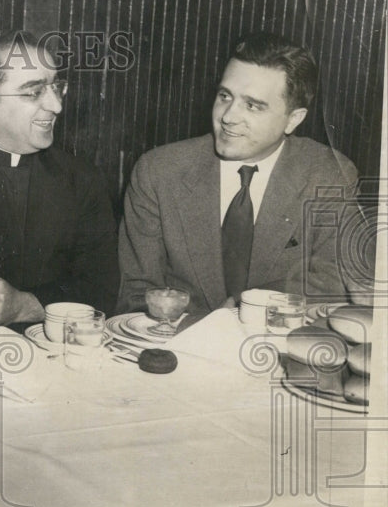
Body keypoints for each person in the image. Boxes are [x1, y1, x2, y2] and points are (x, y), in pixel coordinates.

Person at [117, 31, 358, 315]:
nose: (228, 116)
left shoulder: (328, 175)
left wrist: (247, 313)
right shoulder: (159, 172)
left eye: (252, 105)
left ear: (293, 119)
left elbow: (328, 291)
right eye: (224, 96)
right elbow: (136, 296)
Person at [0, 31, 119, 326]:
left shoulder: (83, 180)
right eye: (34, 92)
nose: (56, 106)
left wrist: (27, 306)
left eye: (56, 87)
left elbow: (103, 291)